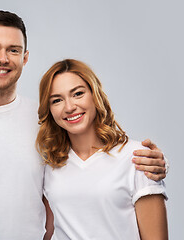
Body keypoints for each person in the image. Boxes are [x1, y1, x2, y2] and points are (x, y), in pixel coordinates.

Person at [0, 10, 168, 240]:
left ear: (25, 57)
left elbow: (95, 162)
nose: (3, 58)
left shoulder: (46, 120)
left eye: (13, 50)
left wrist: (155, 164)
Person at [36, 59, 168, 240]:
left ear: (94, 94)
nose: (69, 107)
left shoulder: (137, 158)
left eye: (78, 94)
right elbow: (46, 232)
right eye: (57, 100)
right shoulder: (50, 166)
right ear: (49, 109)